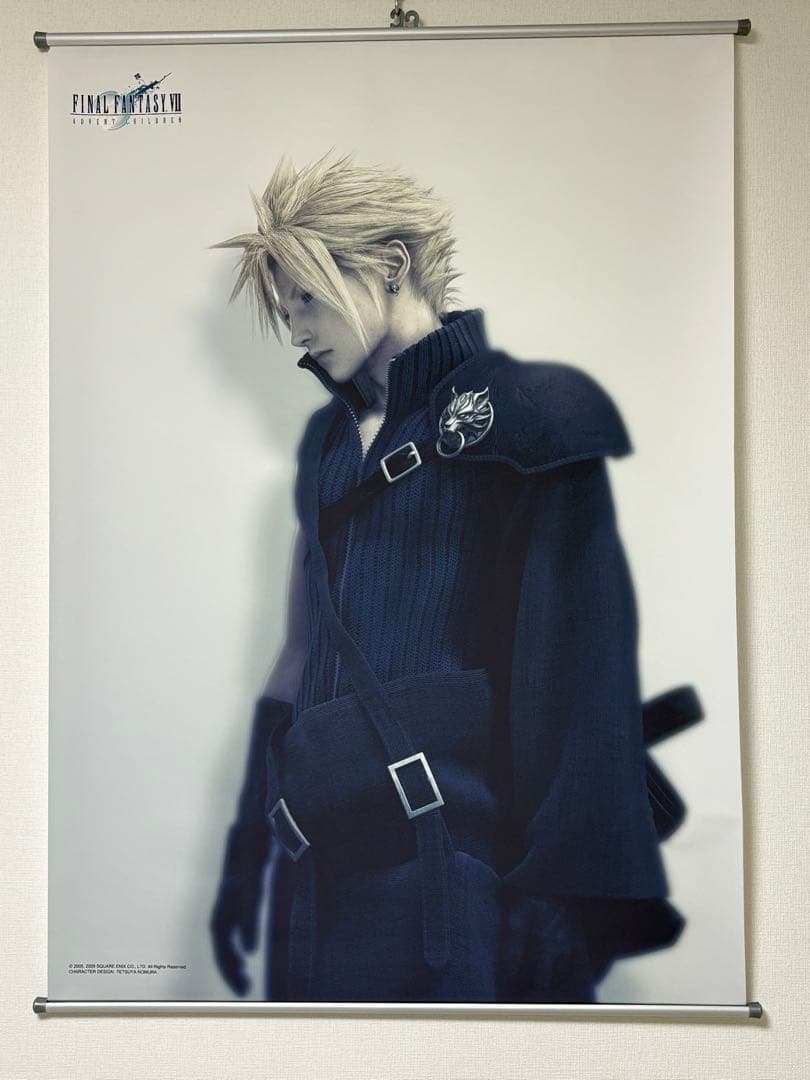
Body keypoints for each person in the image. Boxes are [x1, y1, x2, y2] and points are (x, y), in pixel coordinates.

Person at [210, 152, 700, 1003]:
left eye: (308, 298)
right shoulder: (327, 445)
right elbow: (300, 653)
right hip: (314, 886)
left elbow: (580, 672)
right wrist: (247, 854)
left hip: (462, 883)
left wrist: (561, 905)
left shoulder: (533, 412)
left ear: (391, 266)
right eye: (284, 309)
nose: (294, 329)